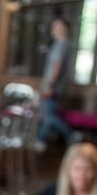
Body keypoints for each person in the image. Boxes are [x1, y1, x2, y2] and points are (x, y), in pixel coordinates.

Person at [38, 17, 75, 146]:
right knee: (48, 114)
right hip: (58, 87)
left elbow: (57, 66)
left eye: (57, 26)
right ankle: (41, 139)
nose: (54, 29)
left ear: (65, 29)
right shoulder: (67, 44)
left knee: (49, 115)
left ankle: (71, 134)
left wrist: (50, 86)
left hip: (53, 87)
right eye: (54, 26)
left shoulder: (61, 44)